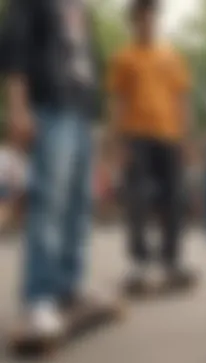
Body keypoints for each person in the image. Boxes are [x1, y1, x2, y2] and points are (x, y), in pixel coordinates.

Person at [3, 0, 102, 338]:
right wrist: (17, 106)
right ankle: (39, 297)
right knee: (50, 202)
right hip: (51, 102)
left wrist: (96, 114)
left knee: (79, 203)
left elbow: (88, 58)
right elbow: (15, 43)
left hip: (81, 106)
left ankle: (68, 286)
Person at [107, 0, 194, 289]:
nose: (147, 22)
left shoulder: (172, 56)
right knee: (137, 200)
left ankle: (171, 259)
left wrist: (186, 139)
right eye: (141, 17)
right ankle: (139, 261)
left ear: (157, 19)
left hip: (169, 136)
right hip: (136, 136)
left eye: (151, 17)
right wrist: (117, 142)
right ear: (133, 21)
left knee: (174, 198)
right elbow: (117, 101)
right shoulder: (124, 57)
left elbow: (182, 99)